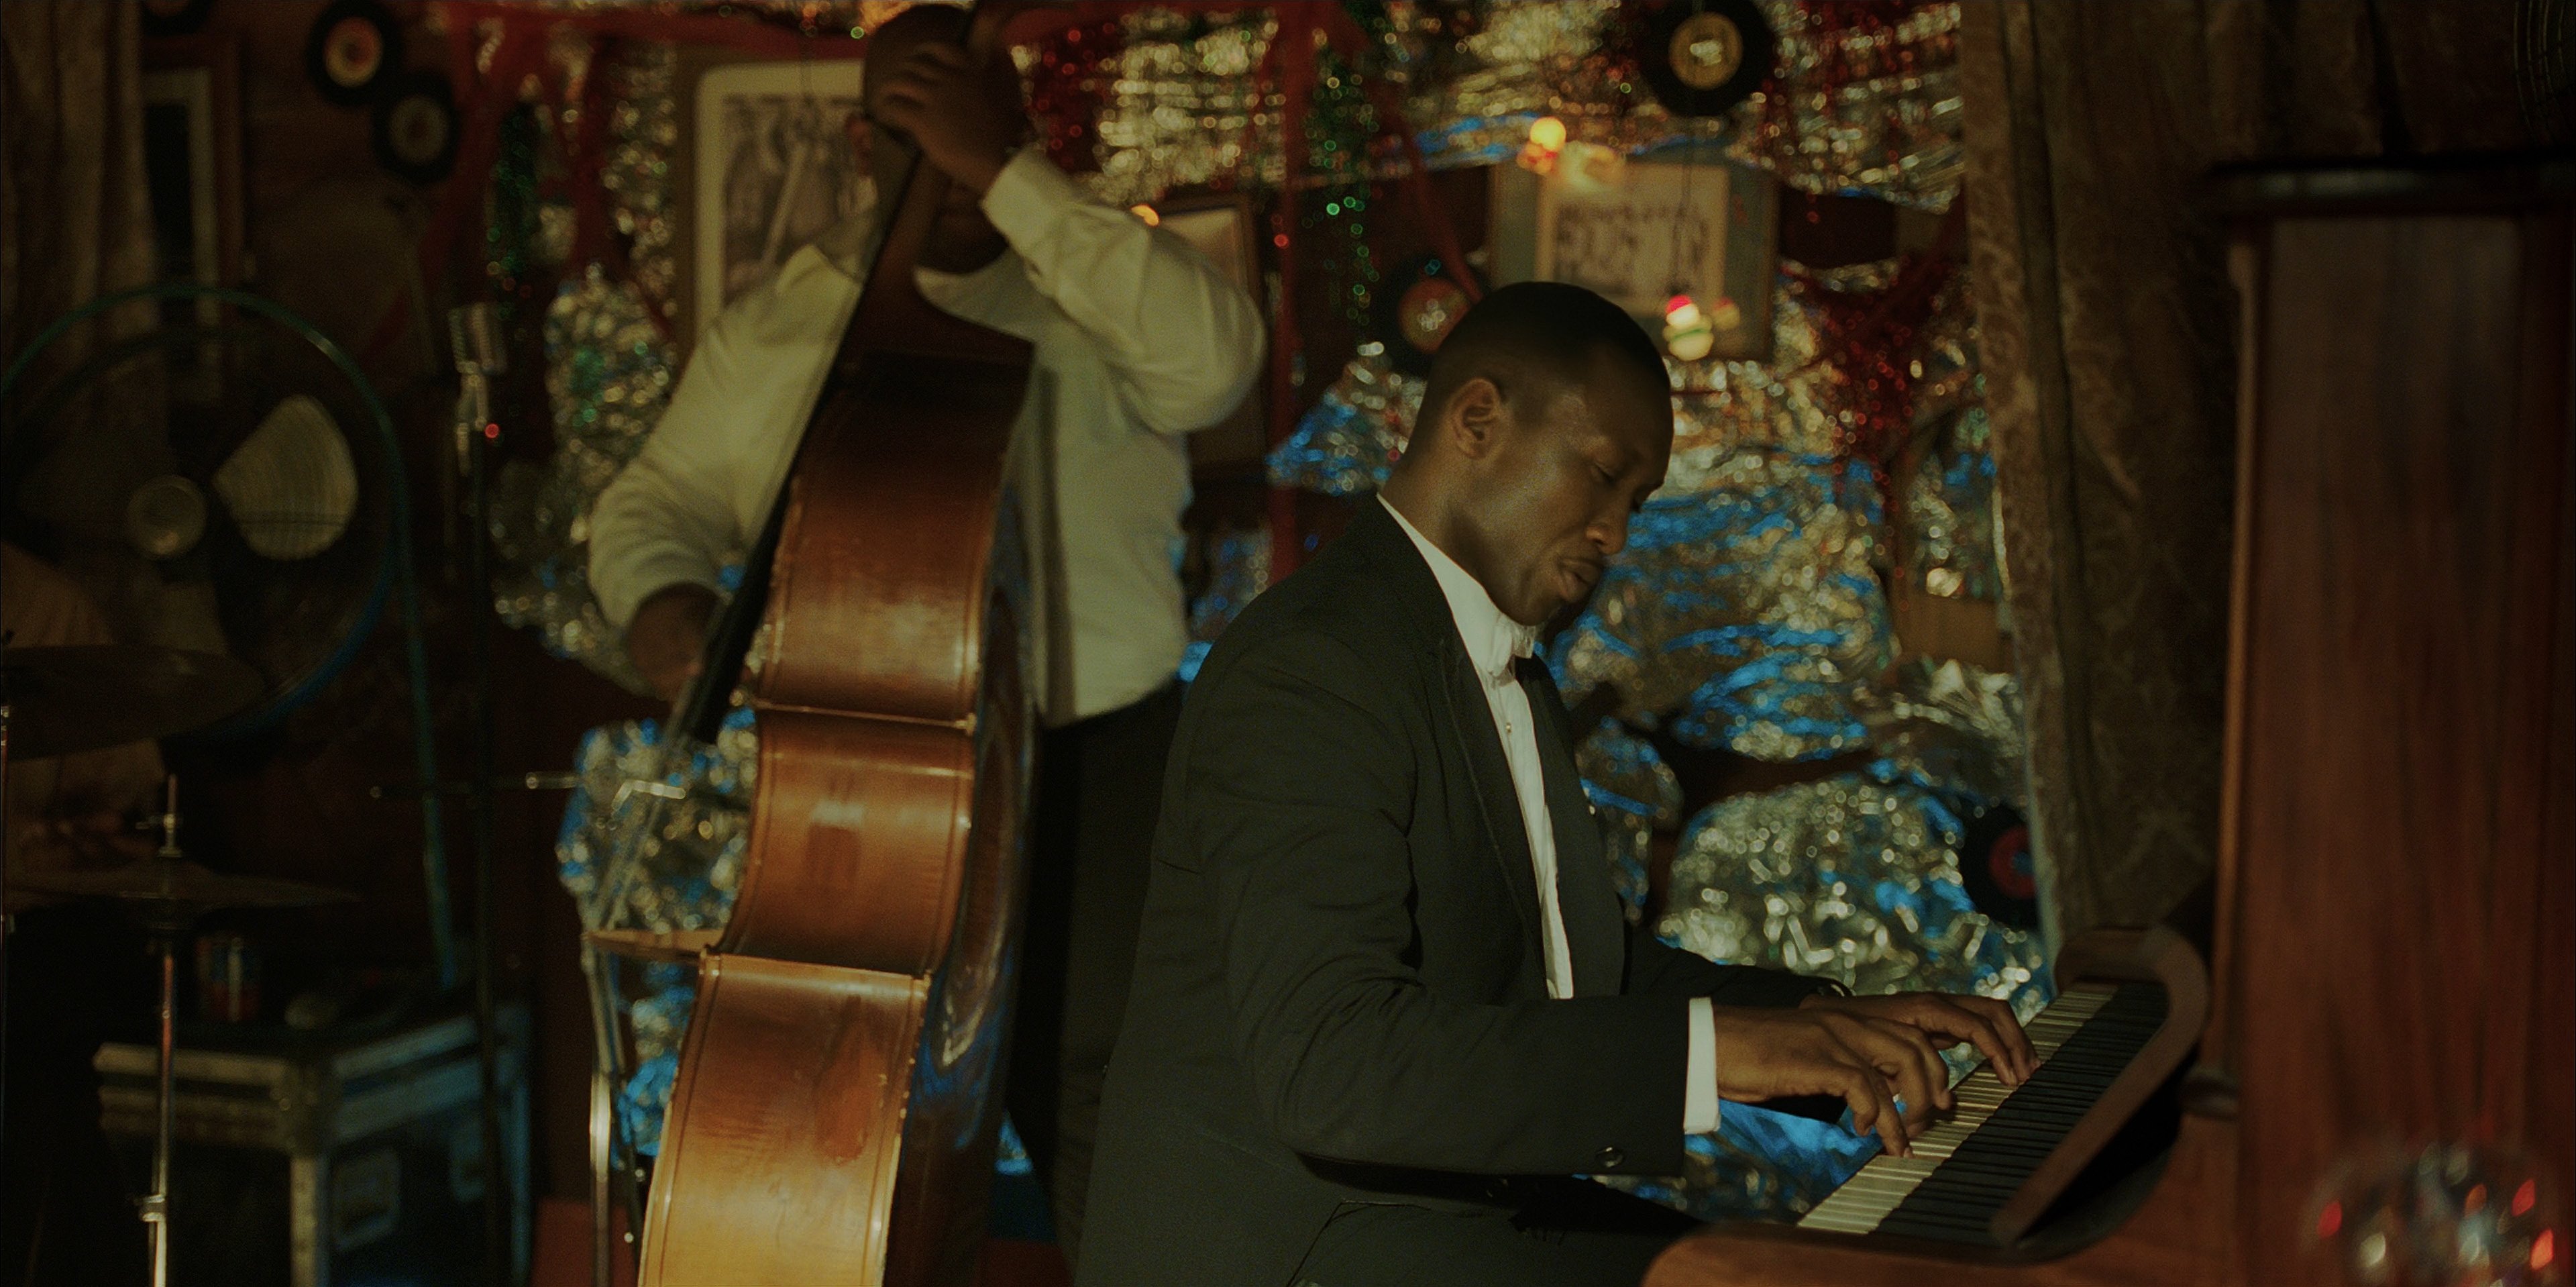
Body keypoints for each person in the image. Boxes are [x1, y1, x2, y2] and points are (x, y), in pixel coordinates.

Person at [1077, 282, 2034, 1287]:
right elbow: (1332, 1067)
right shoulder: (1314, 666)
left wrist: (1819, 1021)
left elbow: (1577, 970)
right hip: (1288, 1245)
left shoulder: (1500, 661)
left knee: (1776, 1267)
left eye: (1637, 503)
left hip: (1433, 1211)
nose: (1616, 534)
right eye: (1605, 477)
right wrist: (1708, 1053)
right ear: (1477, 421)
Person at [584, 5, 1263, 1253]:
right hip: (871, 782)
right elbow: (654, 501)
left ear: (1017, 127)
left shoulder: (1094, 273)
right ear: (863, 145)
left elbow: (1217, 365)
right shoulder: (787, 322)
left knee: (1119, 1115)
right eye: (919, 135)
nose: (950, 169)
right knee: (863, 1112)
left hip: (1108, 768)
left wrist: (1009, 178)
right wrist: (660, 599)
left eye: (976, 130)